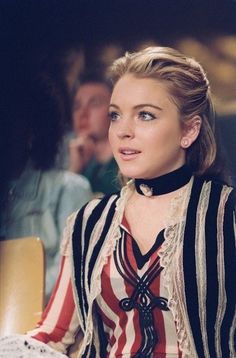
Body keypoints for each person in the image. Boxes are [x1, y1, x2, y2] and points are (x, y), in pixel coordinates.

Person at [0, 46, 235, 357]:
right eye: (115, 115)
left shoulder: (226, 214)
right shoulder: (89, 222)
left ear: (189, 130)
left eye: (145, 115)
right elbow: (53, 334)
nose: (123, 131)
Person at [0, 73, 92, 299]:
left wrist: (19, 295)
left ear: (30, 132)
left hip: (40, 326)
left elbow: (75, 274)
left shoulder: (68, 188)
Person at [57, 70, 120, 196]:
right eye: (77, 106)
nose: (83, 114)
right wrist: (74, 170)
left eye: (94, 104)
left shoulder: (125, 166)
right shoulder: (74, 159)